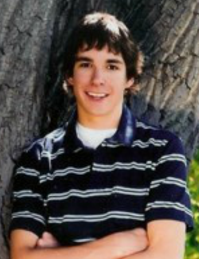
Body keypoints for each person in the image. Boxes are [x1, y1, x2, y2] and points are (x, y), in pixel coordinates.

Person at [10, 12, 193, 259]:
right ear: (69, 76)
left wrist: (59, 255)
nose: (98, 79)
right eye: (85, 64)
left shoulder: (163, 150)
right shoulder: (39, 157)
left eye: (111, 66)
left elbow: (167, 255)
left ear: (129, 78)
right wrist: (119, 245)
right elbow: (22, 256)